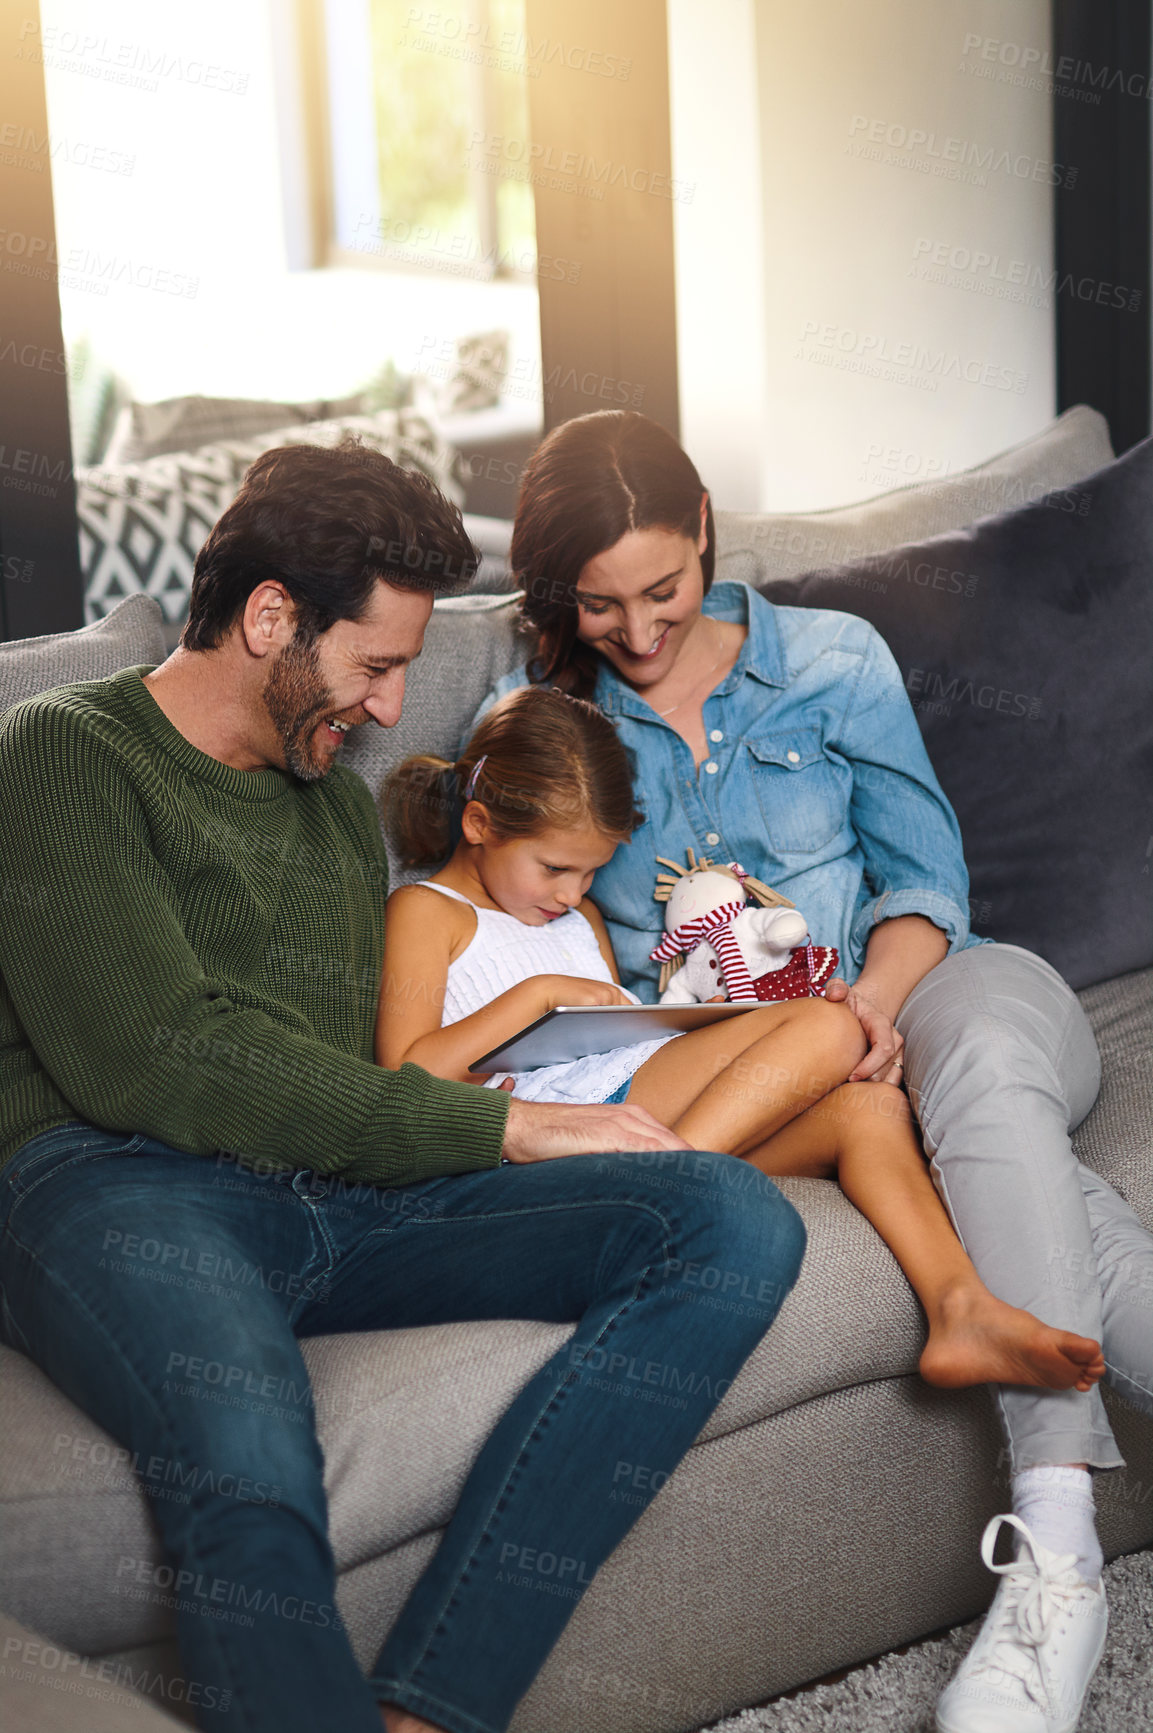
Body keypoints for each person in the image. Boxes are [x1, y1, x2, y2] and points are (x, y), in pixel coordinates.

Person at [0, 439, 811, 1733]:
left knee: (724, 1218)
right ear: (271, 617)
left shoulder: (322, 803)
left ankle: (429, 1708)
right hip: (114, 1180)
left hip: (330, 1187)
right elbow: (163, 1056)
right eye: (375, 667)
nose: (387, 713)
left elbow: (340, 1080)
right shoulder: (62, 755)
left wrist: (523, 1113)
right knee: (249, 1455)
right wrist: (501, 1123)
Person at [475, 409, 1153, 1733]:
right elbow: (532, 938)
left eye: (661, 589)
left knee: (984, 1072)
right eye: (598, 604)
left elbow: (925, 883)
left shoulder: (833, 659)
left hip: (942, 985)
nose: (637, 628)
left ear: (707, 535)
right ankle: (1061, 1549)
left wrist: (873, 1007)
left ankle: (1055, 1559)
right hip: (773, 1064)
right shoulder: (553, 726)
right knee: (1048, 1205)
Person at [382, 682, 1105, 1397]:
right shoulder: (425, 910)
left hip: (641, 1109)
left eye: (591, 871)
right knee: (827, 1024)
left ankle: (960, 1309)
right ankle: (671, 1187)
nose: (573, 893)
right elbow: (405, 1082)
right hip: (562, 1134)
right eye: (555, 867)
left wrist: (721, 1021)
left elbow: (620, 1037)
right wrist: (534, 997)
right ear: (477, 823)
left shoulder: (576, 920)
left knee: (869, 1109)